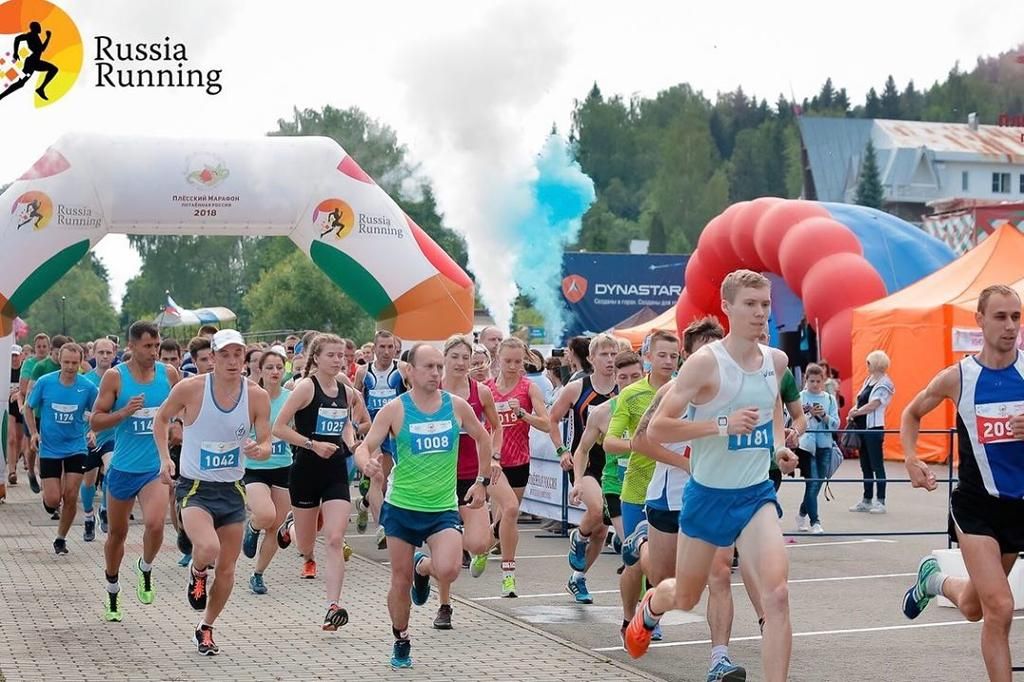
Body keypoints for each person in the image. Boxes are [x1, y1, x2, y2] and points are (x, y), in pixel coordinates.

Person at [626, 270, 800, 682]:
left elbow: (772, 411)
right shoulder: (705, 364)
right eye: (750, 305)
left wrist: (778, 447)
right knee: (684, 595)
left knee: (777, 596)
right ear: (727, 307)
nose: (760, 313)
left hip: (754, 497)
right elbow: (657, 430)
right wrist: (722, 424)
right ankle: (650, 607)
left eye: (765, 305)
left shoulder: (776, 361)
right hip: (706, 497)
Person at [900, 284, 1024, 682]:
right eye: (1001, 317)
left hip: (1019, 507)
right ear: (980, 321)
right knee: (1001, 608)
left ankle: (933, 580)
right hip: (976, 506)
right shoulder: (958, 377)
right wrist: (911, 456)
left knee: (974, 607)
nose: (1010, 326)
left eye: (1016, 317)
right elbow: (911, 412)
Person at [354, 343, 493, 669]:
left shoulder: (456, 406)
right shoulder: (395, 409)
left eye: (437, 367)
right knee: (399, 582)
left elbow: (483, 437)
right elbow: (366, 446)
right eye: (428, 367)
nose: (435, 373)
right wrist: (366, 464)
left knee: (449, 568)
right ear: (410, 371)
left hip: (442, 507)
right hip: (402, 507)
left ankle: (423, 568)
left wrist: (482, 481)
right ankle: (401, 637)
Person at [154, 329, 272, 655]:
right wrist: (165, 459)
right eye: (225, 355)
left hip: (232, 489)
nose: (233, 362)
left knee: (228, 569)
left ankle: (206, 627)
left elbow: (265, 441)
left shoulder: (256, 396)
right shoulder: (190, 389)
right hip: (195, 487)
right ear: (213, 357)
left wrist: (260, 450)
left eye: (238, 355)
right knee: (207, 547)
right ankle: (196, 572)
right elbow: (161, 419)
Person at [91, 321, 180, 622]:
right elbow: (95, 421)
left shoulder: (168, 375)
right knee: (118, 534)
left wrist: (178, 426)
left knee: (155, 525)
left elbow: (181, 411)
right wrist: (123, 413)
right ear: (131, 347)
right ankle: (113, 589)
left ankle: (145, 567)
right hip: (123, 468)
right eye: (147, 346)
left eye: (156, 346)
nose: (154, 352)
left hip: (153, 468)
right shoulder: (117, 377)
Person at [273, 333, 359, 630]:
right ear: (317, 358)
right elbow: (279, 427)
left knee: (335, 539)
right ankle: (291, 527)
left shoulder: (346, 391)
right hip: (306, 470)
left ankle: (332, 606)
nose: (338, 360)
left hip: (335, 470)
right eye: (332, 355)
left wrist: (352, 443)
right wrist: (312, 444)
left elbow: (346, 423)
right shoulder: (305, 388)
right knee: (306, 545)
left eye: (342, 355)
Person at [604, 331, 680, 630]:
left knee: (665, 566)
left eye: (673, 356)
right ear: (647, 356)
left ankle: (651, 610)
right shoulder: (631, 394)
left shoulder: (686, 391)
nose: (668, 361)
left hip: (674, 489)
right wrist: (643, 444)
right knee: (635, 564)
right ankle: (627, 618)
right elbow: (610, 441)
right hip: (637, 487)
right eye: (661, 355)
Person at [433, 334, 503, 629]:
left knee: (478, 543)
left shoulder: (481, 392)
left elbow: (496, 428)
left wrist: (493, 460)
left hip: (472, 478)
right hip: (437, 479)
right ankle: (444, 605)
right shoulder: (431, 390)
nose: (461, 363)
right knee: (446, 561)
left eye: (466, 358)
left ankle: (433, 561)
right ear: (444, 359)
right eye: (455, 357)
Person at [549, 333, 619, 603]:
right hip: (583, 459)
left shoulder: (623, 388)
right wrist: (561, 450)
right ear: (591, 358)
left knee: (601, 528)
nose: (610, 360)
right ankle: (578, 535)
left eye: (614, 354)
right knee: (596, 509)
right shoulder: (577, 388)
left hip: (612, 462)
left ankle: (578, 578)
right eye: (604, 354)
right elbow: (552, 419)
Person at [567, 351, 644, 565]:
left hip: (647, 484)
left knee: (645, 551)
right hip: (615, 485)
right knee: (635, 551)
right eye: (623, 378)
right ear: (615, 378)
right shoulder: (602, 413)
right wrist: (578, 481)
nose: (628, 383)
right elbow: (582, 450)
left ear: (644, 374)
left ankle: (577, 577)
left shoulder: (655, 407)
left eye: (634, 377)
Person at [487, 337, 549, 597]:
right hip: (494, 462)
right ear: (498, 359)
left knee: (505, 520)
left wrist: (523, 413)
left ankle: (482, 546)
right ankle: (509, 577)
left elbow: (546, 424)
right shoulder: (486, 389)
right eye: (507, 361)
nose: (513, 366)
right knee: (510, 509)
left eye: (517, 361)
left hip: (520, 461)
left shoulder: (528, 388)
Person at [23, 343, 98, 554]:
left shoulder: (88, 387)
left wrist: (94, 430)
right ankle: (48, 499)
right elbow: (28, 407)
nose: (70, 367)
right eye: (66, 362)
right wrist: (33, 433)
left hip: (76, 446)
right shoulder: (46, 383)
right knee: (53, 499)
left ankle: (60, 538)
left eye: (75, 363)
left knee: (71, 495)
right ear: (60, 360)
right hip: (50, 448)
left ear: (81, 362)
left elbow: (99, 411)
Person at [241, 348, 293, 594]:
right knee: (265, 515)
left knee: (276, 525)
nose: (275, 372)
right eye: (269, 367)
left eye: (279, 368)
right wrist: (246, 444)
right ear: (259, 370)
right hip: (254, 467)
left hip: (283, 466)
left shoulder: (291, 397)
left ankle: (258, 574)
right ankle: (252, 527)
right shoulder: (248, 396)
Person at [354, 330, 408, 545]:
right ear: (374, 348)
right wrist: (356, 427)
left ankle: (364, 504)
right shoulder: (362, 372)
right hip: (374, 431)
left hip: (395, 432)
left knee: (385, 484)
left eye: (390, 347)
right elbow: (356, 400)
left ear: (396, 349)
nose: (386, 351)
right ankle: (383, 528)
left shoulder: (403, 370)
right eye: (382, 347)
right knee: (377, 478)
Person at [847, 349, 895, 514]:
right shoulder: (869, 380)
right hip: (861, 427)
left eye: (869, 362)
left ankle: (880, 501)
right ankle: (867, 499)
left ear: (876, 363)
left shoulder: (885, 383)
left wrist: (857, 412)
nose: (867, 365)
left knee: (877, 465)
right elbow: (861, 400)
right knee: (865, 465)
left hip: (874, 428)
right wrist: (853, 410)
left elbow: (874, 404)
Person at [795, 363, 840, 534]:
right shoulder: (799, 397)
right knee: (812, 483)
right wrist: (807, 414)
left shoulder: (829, 399)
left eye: (818, 381)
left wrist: (824, 415)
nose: (814, 384)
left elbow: (836, 425)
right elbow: (791, 419)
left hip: (825, 446)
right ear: (806, 380)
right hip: (806, 446)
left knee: (817, 484)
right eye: (811, 381)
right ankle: (815, 522)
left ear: (823, 381)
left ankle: (801, 513)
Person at [81, 338, 117, 541]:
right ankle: (88, 517)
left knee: (111, 471)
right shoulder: (86, 381)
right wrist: (92, 422)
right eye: (100, 352)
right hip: (88, 436)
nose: (104, 356)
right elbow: (81, 410)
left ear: (114, 354)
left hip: (112, 436)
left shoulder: (120, 378)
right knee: (88, 481)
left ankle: (104, 508)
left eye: (108, 352)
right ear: (93, 354)